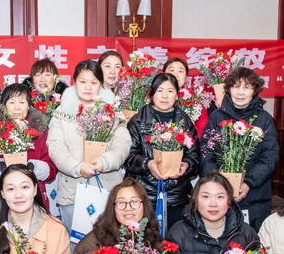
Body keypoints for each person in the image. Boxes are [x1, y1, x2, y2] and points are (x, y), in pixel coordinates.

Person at [47, 59, 131, 237]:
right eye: (83, 81)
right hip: (72, 191)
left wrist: (104, 163)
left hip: (108, 190)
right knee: (76, 246)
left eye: (93, 82)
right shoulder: (62, 112)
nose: (88, 87)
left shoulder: (113, 112)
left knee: (110, 245)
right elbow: (56, 147)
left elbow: (122, 144)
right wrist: (78, 167)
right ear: (74, 82)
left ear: (101, 84)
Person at [200, 67, 279, 231]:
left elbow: (269, 157)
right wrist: (218, 181)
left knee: (252, 242)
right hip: (220, 196)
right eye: (236, 86)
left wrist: (249, 182)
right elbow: (206, 153)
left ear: (254, 90)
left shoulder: (264, 119)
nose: (240, 92)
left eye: (247, 87)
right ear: (228, 88)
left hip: (255, 196)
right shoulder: (216, 116)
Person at [124, 73, 200, 230]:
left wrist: (186, 165)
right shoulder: (137, 121)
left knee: (174, 240)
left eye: (170, 91)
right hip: (144, 196)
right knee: (144, 241)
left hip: (178, 198)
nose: (165, 96)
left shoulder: (186, 122)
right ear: (152, 93)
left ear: (177, 95)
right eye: (160, 90)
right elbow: (127, 157)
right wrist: (148, 164)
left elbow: (195, 157)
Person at [0, 83, 57, 214]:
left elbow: (51, 169)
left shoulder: (41, 132)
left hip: (33, 198)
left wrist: (32, 168)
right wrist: (1, 166)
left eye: (22, 102)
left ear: (28, 105)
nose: (17, 107)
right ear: (4, 106)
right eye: (12, 102)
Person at [163, 57, 210, 138]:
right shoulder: (155, 99)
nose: (176, 75)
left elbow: (204, 132)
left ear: (186, 78)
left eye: (180, 71)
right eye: (172, 70)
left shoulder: (195, 103)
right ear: (163, 75)